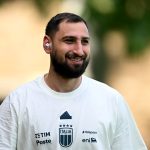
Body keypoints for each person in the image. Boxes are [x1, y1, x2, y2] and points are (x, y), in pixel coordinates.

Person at [0, 12, 147, 150]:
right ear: (47, 44)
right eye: (69, 40)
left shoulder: (111, 101)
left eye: (85, 42)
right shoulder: (18, 102)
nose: (79, 50)